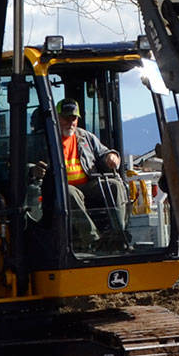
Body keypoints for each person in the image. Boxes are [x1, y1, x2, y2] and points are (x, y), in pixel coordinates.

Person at [54, 99, 126, 247]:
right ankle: (93, 239)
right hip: (60, 189)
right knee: (68, 192)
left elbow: (104, 153)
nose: (70, 122)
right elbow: (29, 164)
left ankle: (119, 236)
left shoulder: (85, 137)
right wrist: (33, 169)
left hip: (87, 185)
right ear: (57, 118)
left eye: (73, 118)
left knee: (114, 186)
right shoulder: (47, 139)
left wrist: (112, 157)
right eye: (66, 118)